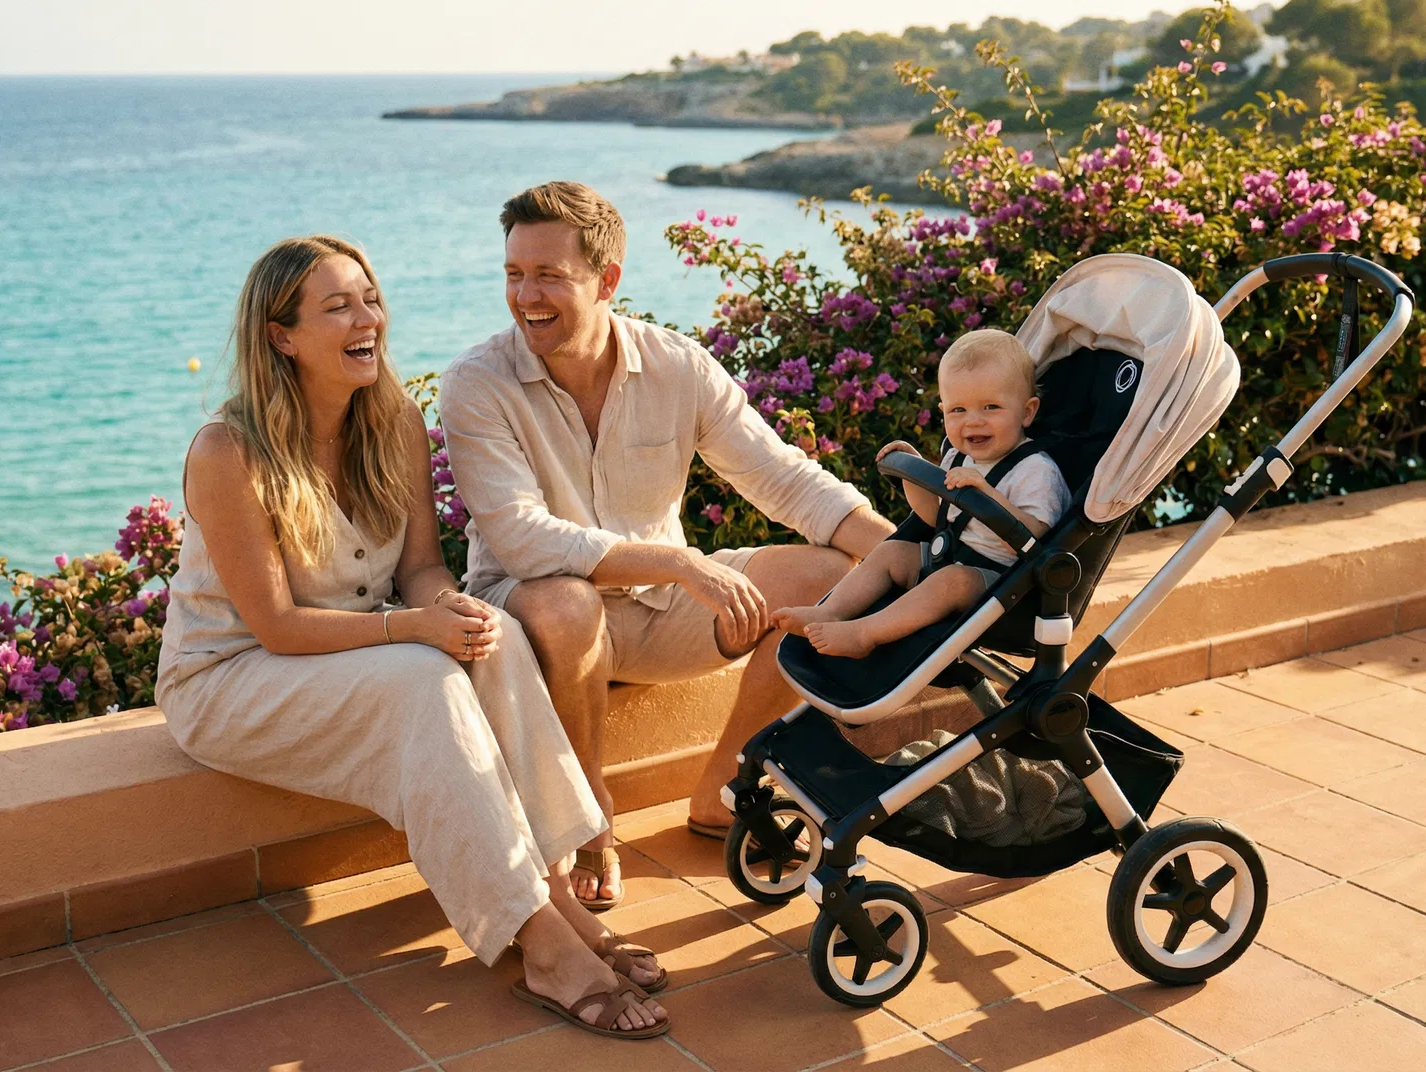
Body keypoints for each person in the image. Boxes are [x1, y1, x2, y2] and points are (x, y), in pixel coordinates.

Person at [156, 235, 670, 1040]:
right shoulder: (230, 451)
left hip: (355, 650)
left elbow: (425, 570)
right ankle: (542, 948)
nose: (368, 319)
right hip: (230, 678)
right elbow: (276, 627)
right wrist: (414, 628)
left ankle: (560, 895)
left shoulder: (393, 421)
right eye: (338, 307)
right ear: (280, 335)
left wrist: (450, 613)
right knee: (422, 679)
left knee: (491, 631)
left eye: (370, 298)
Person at [440, 182, 895, 910]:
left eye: (549, 275)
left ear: (607, 280)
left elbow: (781, 477)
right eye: (514, 274)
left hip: (656, 612)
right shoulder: (475, 384)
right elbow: (523, 541)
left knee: (828, 575)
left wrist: (908, 553)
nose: (526, 295)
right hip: (534, 618)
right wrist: (684, 564)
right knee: (565, 601)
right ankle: (591, 823)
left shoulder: (676, 365)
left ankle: (723, 786)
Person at [775, 329, 1071, 658]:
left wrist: (987, 493)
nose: (973, 422)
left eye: (990, 407)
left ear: (1027, 412)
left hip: (1002, 584)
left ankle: (865, 633)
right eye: (958, 410)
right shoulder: (958, 458)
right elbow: (937, 517)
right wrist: (913, 474)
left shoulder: (1036, 471)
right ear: (943, 410)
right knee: (891, 553)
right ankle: (832, 611)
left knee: (952, 581)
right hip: (949, 555)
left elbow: (1036, 539)